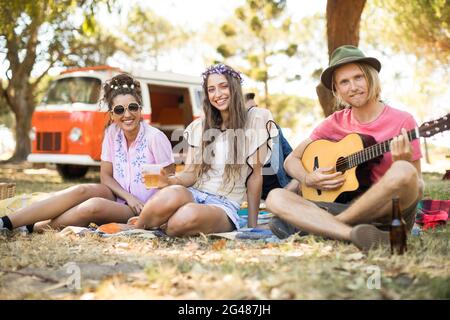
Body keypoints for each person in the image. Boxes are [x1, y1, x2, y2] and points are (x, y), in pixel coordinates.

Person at [265, 45, 423, 251]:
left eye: (359, 77)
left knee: (404, 171)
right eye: (344, 82)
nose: (353, 87)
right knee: (275, 197)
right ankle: (352, 234)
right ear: (337, 90)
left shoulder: (403, 120)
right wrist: (307, 178)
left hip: (388, 209)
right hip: (342, 203)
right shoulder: (333, 123)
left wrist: (402, 162)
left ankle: (328, 225)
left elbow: (416, 183)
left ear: (371, 78)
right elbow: (290, 161)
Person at [0, 73, 174, 232]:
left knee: (93, 206)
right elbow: (106, 176)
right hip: (120, 196)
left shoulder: (155, 138)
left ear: (140, 109)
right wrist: (128, 196)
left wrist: (148, 210)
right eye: (120, 110)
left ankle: (33, 227)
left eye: (133, 107)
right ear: (112, 114)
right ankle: (6, 222)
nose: (127, 114)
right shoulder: (112, 133)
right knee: (81, 190)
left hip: (142, 207)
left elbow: (172, 183)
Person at [134, 64, 278, 235]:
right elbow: (191, 173)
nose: (217, 94)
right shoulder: (200, 127)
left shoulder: (256, 119)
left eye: (223, 86)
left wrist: (252, 226)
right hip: (194, 192)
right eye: (211, 89)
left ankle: (164, 224)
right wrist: (169, 181)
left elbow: (255, 177)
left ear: (235, 88)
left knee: (184, 218)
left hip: (224, 204)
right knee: (170, 194)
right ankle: (134, 229)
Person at [244, 92, 298, 199]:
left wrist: (296, 181)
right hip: (253, 198)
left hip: (283, 190)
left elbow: (292, 157)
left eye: (256, 108)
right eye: (251, 110)